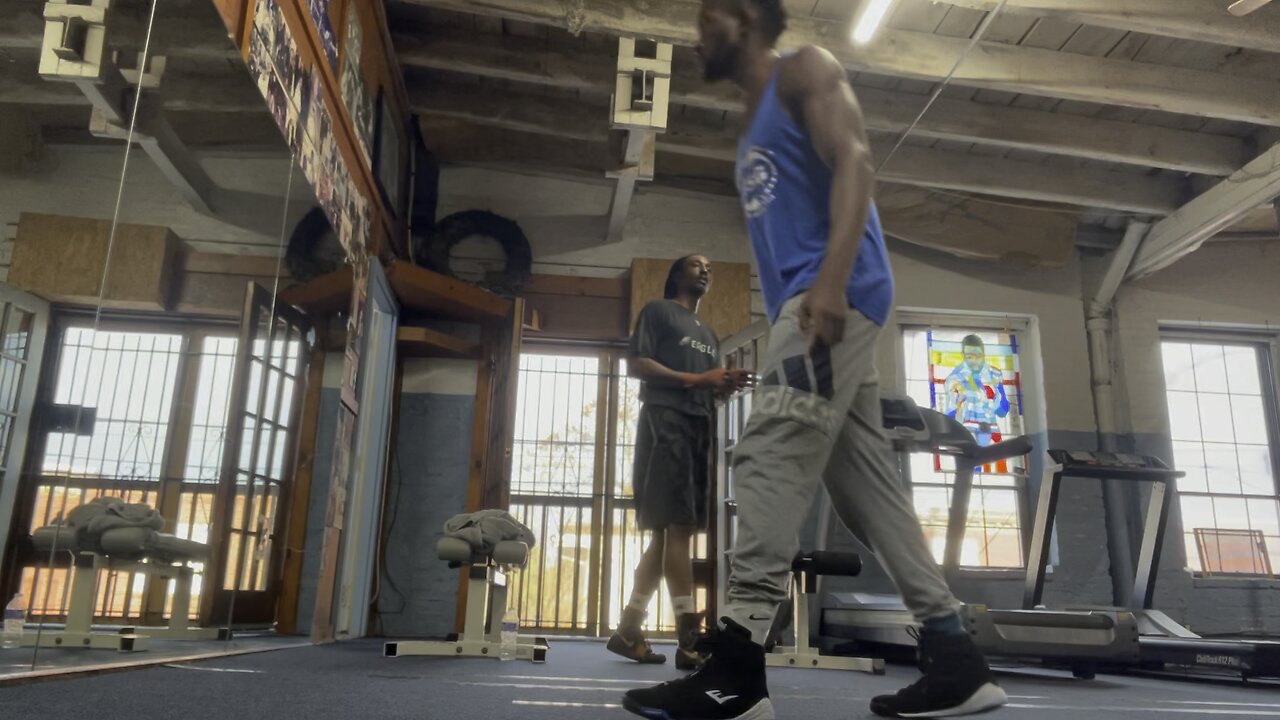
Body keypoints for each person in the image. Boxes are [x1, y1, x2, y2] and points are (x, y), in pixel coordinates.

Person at [621, 2, 1008, 718]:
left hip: (831, 298)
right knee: (867, 492)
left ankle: (734, 665)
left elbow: (856, 162)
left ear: (747, 17)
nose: (698, 33)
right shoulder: (751, 126)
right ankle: (955, 656)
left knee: (766, 453)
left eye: (711, 17)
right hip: (816, 301)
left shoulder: (805, 71)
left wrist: (829, 282)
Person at [608, 254, 753, 671]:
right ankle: (689, 642)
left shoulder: (708, 332)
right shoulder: (658, 311)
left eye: (709, 265)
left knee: (666, 536)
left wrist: (723, 385)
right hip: (665, 422)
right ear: (675, 275)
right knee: (679, 530)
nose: (705, 269)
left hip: (698, 425)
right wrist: (698, 379)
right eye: (695, 264)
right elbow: (637, 364)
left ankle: (628, 631)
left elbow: (707, 386)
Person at [943, 334, 1011, 448]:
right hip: (966, 438)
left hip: (989, 437)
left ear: (984, 355)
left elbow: (1002, 411)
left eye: (978, 356)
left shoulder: (993, 374)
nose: (974, 361)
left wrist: (995, 396)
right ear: (963, 356)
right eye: (970, 356)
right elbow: (950, 415)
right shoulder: (955, 379)